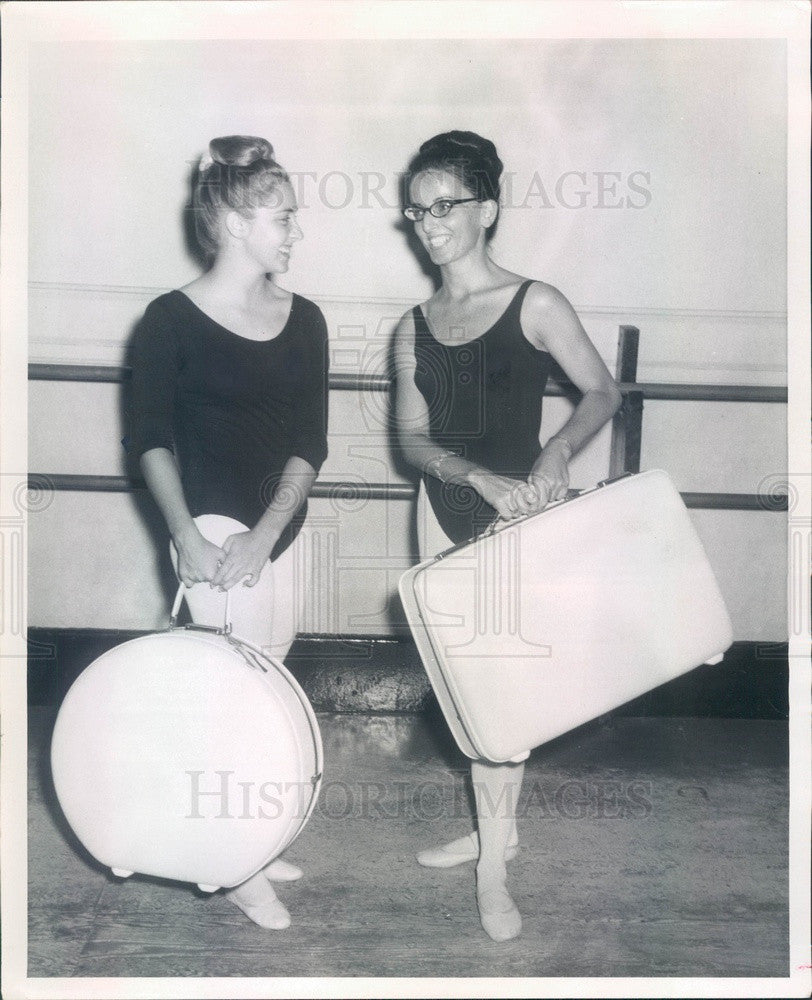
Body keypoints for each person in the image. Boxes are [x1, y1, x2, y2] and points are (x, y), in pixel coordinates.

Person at [393, 131, 622, 941]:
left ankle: (493, 867)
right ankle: (502, 829)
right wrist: (472, 477)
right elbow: (412, 442)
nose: (429, 223)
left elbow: (602, 391)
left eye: (445, 205)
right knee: (467, 690)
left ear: (486, 209)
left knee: (505, 699)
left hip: (519, 519)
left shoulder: (537, 302)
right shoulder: (414, 325)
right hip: (445, 510)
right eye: (417, 210)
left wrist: (556, 452)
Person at [129, 135, 329, 931]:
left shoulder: (305, 319)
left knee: (268, 689)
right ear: (239, 223)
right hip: (207, 535)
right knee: (221, 705)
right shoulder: (168, 321)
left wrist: (269, 533)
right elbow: (148, 438)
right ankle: (231, 865)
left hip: (276, 530)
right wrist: (185, 534)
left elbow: (308, 443)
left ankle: (245, 830)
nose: (295, 232)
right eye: (283, 217)